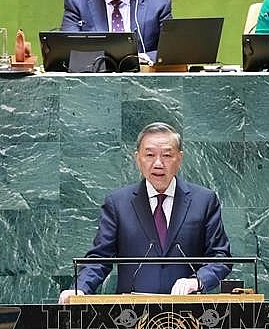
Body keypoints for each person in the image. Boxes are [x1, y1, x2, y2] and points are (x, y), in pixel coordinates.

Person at [58, 122, 232, 304]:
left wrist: (197, 281)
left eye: (167, 155)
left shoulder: (204, 200)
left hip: (189, 313)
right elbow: (100, 258)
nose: (158, 163)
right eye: (149, 155)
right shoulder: (118, 203)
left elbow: (220, 257)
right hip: (131, 316)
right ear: (138, 158)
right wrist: (80, 289)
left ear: (179, 158)